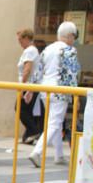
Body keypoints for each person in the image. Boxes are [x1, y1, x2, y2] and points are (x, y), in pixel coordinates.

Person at [28, 21, 80, 168]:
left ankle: (59, 155)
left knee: (54, 121)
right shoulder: (70, 50)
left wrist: (31, 89)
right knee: (54, 122)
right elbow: (71, 74)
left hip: (45, 89)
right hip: (60, 90)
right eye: (74, 36)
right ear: (70, 36)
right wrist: (75, 95)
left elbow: (38, 71)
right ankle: (37, 152)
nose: (74, 39)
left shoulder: (48, 49)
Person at [16, 28, 41, 144]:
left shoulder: (30, 51)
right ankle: (28, 136)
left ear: (26, 38)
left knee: (20, 109)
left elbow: (27, 69)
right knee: (28, 110)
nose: (19, 43)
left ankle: (34, 131)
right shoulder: (32, 50)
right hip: (32, 85)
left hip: (29, 85)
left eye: (20, 40)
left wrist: (22, 88)